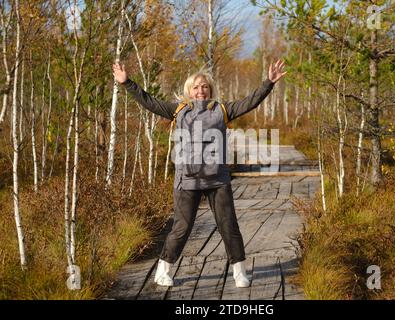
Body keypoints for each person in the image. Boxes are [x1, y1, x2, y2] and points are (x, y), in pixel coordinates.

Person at [112, 60, 286, 288]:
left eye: (204, 86)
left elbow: (250, 102)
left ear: (210, 90)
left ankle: (239, 272)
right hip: (188, 181)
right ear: (188, 91)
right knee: (181, 228)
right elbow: (148, 101)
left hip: (217, 180)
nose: (200, 90)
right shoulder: (178, 110)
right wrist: (127, 83)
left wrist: (268, 83)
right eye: (196, 87)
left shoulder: (222, 110)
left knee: (228, 226)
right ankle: (162, 271)